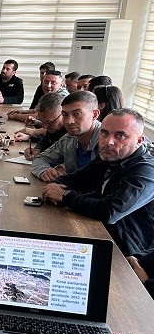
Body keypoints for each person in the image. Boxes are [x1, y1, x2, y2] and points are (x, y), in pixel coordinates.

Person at [42, 109, 154, 257]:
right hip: (97, 231)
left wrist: (65, 195)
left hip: (129, 253)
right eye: (105, 133)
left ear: (139, 141)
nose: (108, 142)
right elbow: (75, 179)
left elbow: (109, 212)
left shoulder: (146, 172)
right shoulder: (110, 156)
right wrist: (55, 186)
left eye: (120, 135)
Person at [32, 91, 101, 181]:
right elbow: (41, 158)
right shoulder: (69, 139)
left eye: (76, 114)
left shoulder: (108, 143)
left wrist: (67, 189)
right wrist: (44, 171)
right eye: (65, 115)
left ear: (95, 114)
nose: (69, 121)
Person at [17, 93, 67, 160]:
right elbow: (46, 139)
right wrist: (37, 149)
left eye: (48, 122)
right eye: (41, 121)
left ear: (63, 114)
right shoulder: (53, 126)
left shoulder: (72, 132)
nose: (44, 127)